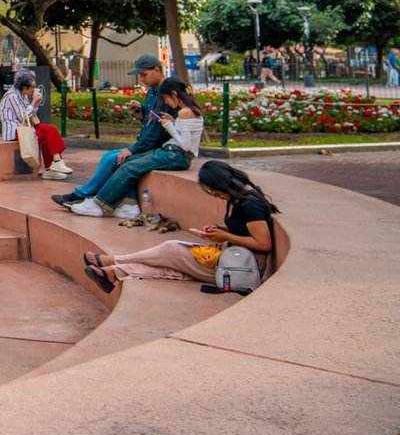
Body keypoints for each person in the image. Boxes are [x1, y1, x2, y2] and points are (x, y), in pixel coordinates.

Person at [84, 161, 278, 293]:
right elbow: (243, 231)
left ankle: (114, 260)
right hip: (233, 259)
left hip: (243, 267)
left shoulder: (249, 204)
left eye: (214, 190)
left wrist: (226, 237)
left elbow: (263, 244)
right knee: (175, 270)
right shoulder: (236, 198)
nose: (214, 195)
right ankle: (113, 273)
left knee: (172, 249)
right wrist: (221, 231)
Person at [70, 78, 204, 218]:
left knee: (130, 167)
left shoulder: (185, 112)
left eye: (166, 98)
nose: (166, 102)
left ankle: (99, 204)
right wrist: (173, 121)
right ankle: (130, 205)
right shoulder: (189, 110)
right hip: (174, 153)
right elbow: (186, 135)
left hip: (176, 155)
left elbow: (186, 145)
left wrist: (168, 125)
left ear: (174, 94)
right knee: (128, 161)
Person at [51, 54, 168, 210]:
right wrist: (141, 112)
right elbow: (151, 120)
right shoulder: (152, 91)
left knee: (114, 159)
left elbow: (157, 130)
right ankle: (85, 194)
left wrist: (133, 149)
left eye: (144, 74)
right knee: (108, 156)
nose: (141, 79)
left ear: (157, 70)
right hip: (146, 144)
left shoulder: (165, 94)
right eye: (140, 75)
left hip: (155, 148)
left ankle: (83, 195)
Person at [0, 70, 70, 180]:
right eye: (32, 86)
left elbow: (30, 114)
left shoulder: (22, 95)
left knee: (51, 129)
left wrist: (35, 104)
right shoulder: (12, 96)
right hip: (16, 131)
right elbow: (23, 117)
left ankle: (56, 163)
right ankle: (52, 166)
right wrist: (33, 103)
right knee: (45, 136)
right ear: (24, 87)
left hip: (25, 127)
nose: (34, 89)